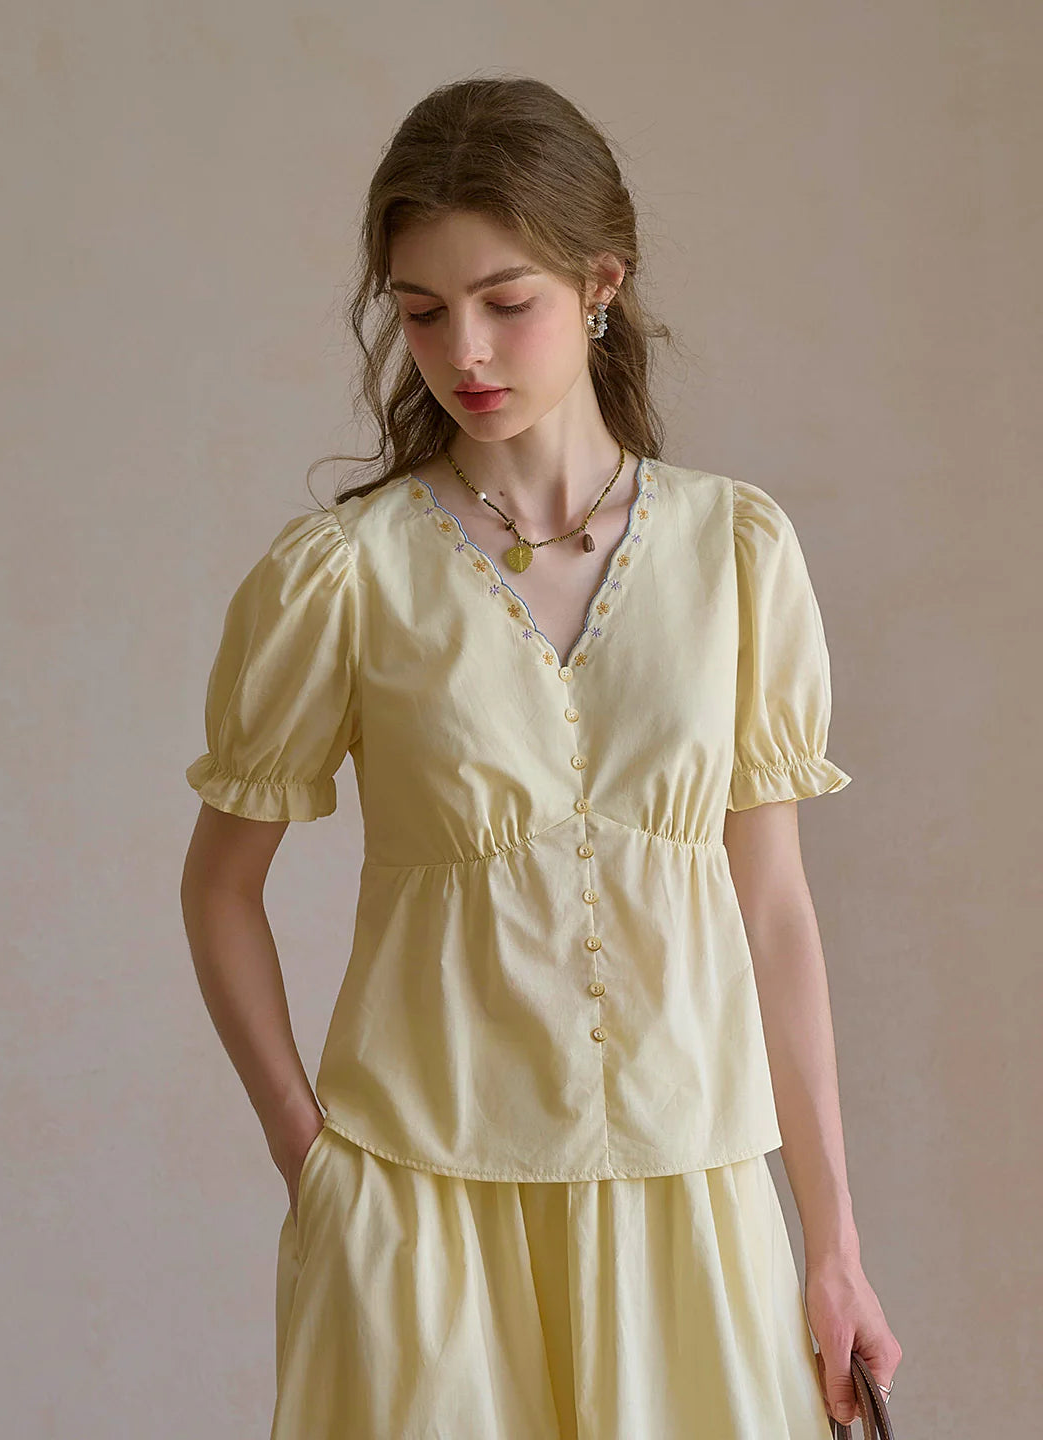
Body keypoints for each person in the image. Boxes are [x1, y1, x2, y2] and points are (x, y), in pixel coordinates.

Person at [180, 74, 902, 1440]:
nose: (464, 349)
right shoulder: (346, 573)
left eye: (506, 301)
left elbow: (775, 912)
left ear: (600, 283)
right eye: (420, 310)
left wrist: (834, 1245)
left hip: (691, 1197)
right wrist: (309, 1156)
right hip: (420, 1203)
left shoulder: (737, 554)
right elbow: (218, 886)